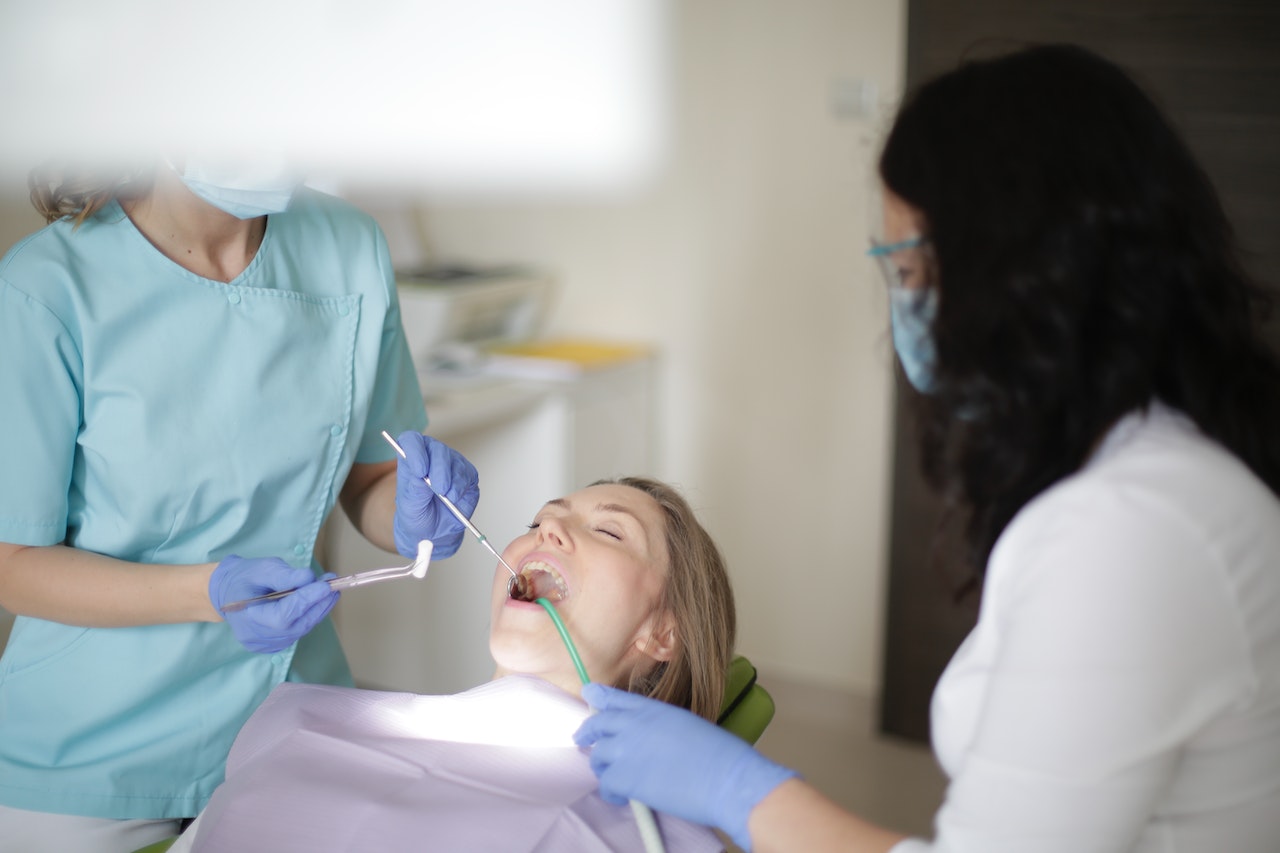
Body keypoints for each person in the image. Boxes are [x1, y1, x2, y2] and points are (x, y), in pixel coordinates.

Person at [572, 43, 1280, 852]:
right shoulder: (1128, 482)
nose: (902, 307)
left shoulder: (1131, 529)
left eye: (909, 270)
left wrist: (740, 791)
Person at [0, 158, 482, 851]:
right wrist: (209, 590)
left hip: (291, 719)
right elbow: (13, 560)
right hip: (88, 748)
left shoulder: (349, 247)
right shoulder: (44, 286)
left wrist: (411, 514)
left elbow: (370, 481)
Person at [162, 477, 736, 852]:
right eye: (538, 521)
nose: (548, 529)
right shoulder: (312, 727)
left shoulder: (637, 829)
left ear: (664, 632)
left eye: (609, 530)